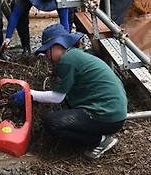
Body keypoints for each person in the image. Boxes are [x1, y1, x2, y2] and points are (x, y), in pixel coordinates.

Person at [12, 23, 127, 159]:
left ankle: (100, 141)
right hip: (114, 112)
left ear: (58, 46)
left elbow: (57, 97)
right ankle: (98, 133)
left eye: (47, 50)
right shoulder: (76, 55)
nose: (47, 57)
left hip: (107, 115)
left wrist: (29, 94)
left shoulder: (67, 60)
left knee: (52, 122)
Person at [1, 0, 70, 55]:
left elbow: (65, 21)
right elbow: (15, 14)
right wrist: (8, 37)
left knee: (68, 18)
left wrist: (66, 43)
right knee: (22, 20)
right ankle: (26, 48)